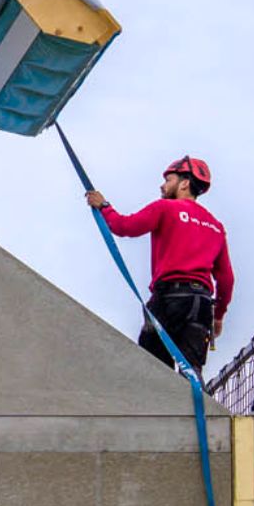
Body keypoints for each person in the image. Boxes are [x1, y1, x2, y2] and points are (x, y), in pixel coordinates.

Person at [85, 156, 234, 372]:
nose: (162, 185)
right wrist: (218, 316)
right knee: (191, 372)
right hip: (201, 306)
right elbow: (227, 279)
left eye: (168, 180)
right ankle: (194, 393)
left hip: (169, 299)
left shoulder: (165, 208)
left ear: (184, 183)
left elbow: (124, 226)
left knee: (153, 368)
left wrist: (104, 206)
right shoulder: (216, 226)